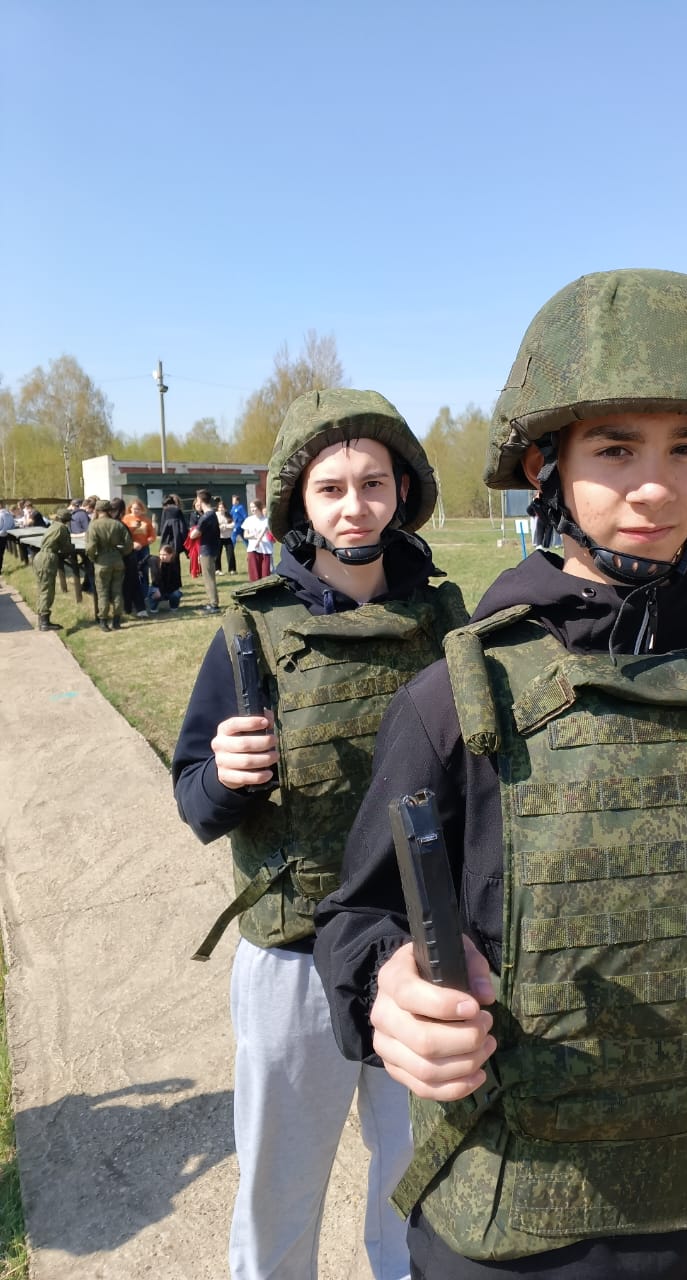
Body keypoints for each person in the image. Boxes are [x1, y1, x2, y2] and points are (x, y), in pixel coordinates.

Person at [315, 269, 687, 1280]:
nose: (656, 485)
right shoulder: (455, 698)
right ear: (546, 465)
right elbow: (359, 917)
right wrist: (386, 986)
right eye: (615, 447)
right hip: (496, 1228)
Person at [172, 387, 468, 1280]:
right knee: (280, 1192)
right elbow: (195, 802)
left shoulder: (448, 624)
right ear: (301, 502)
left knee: (417, 1181)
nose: (355, 506)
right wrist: (225, 776)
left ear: (403, 491)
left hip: (418, 949)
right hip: (295, 957)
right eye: (331, 488)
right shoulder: (251, 633)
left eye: (373, 483)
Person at [86, 499, 133, 631]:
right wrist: (121, 553)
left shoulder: (94, 525)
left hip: (102, 561)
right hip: (117, 560)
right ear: (110, 510)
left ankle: (103, 622)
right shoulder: (117, 524)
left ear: (97, 510)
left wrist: (93, 557)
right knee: (117, 591)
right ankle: (117, 621)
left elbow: (90, 546)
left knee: (103, 592)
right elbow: (129, 544)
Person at [32, 508, 76, 632]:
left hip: (40, 556)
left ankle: (42, 619)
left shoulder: (53, 526)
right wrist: (71, 548)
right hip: (48, 557)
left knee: (42, 587)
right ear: (67, 520)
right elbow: (66, 547)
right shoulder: (62, 528)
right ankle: (44, 622)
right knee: (47, 589)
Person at [188, 490, 221, 613]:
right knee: (209, 576)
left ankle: (214, 605)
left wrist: (192, 532)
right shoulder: (212, 514)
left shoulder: (205, 517)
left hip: (207, 550)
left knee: (208, 578)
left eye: (197, 499)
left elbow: (193, 535)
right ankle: (213, 602)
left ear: (200, 500)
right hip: (212, 548)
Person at [122, 498, 156, 607]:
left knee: (144, 569)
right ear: (130, 509)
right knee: (132, 570)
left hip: (144, 548)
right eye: (134, 508)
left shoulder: (146, 520)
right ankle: (132, 594)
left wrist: (149, 540)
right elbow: (124, 534)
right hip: (131, 548)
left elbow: (152, 534)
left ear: (142, 509)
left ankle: (144, 593)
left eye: (138, 509)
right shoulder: (126, 519)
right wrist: (133, 532)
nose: (136, 511)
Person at [240, 500, 274, 580]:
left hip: (265, 549)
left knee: (265, 574)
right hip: (253, 549)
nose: (252, 509)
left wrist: (259, 539)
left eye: (254, 507)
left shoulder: (266, 520)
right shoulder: (248, 520)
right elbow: (245, 535)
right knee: (254, 575)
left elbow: (268, 533)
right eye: (251, 507)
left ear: (259, 507)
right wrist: (254, 536)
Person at [145, 543, 184, 611]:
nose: (162, 557)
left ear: (171, 555)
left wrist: (162, 591)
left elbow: (176, 584)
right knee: (154, 592)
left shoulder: (174, 566)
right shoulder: (155, 561)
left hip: (169, 589)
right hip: (156, 588)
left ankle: (173, 607)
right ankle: (153, 607)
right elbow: (147, 558)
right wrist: (138, 569)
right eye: (160, 554)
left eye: (164, 555)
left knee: (176, 594)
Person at [216, 498, 238, 574]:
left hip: (228, 537)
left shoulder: (228, 515)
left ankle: (232, 569)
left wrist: (225, 526)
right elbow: (215, 526)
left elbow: (233, 525)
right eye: (219, 507)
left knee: (231, 553)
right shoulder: (216, 515)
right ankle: (217, 569)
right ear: (217, 508)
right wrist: (221, 527)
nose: (221, 509)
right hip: (219, 538)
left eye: (222, 507)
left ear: (225, 508)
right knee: (217, 554)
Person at [0, 500, 15, 575]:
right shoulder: (9, 514)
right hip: (5, 536)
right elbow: (13, 525)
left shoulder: (1, 514)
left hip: (0, 534)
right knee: (1, 553)